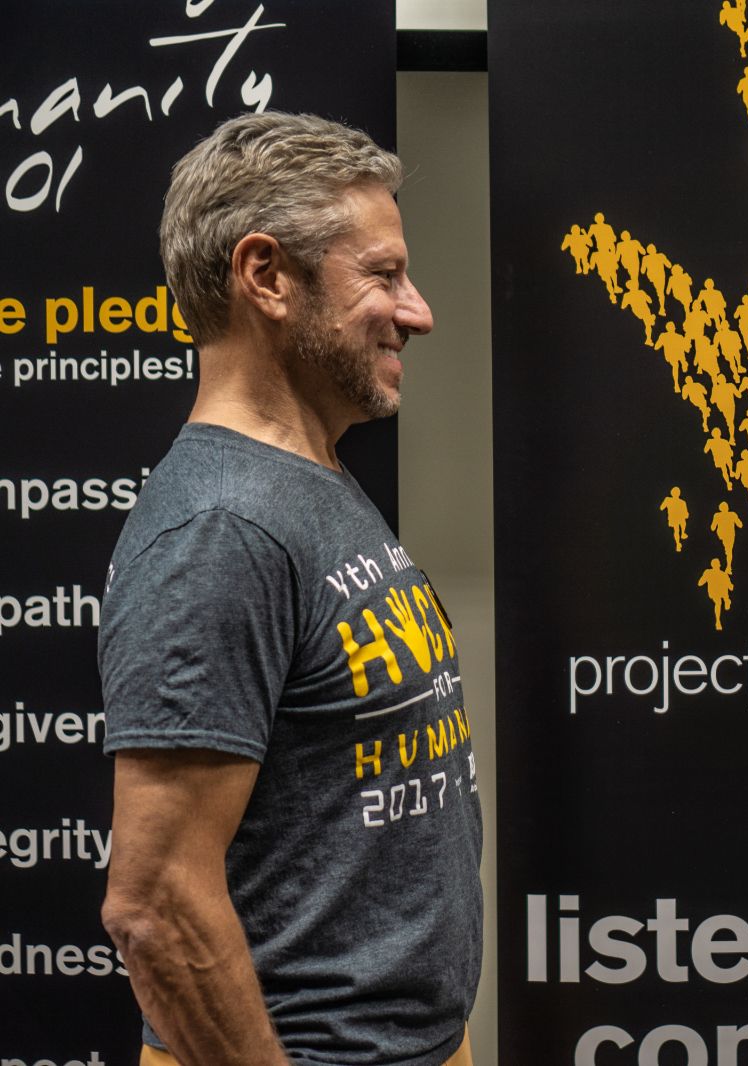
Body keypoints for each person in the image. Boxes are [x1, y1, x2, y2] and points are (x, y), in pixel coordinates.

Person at [98, 113, 481, 1066]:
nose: (417, 310)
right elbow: (153, 905)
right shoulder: (221, 528)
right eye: (382, 274)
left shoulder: (309, 481)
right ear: (266, 276)